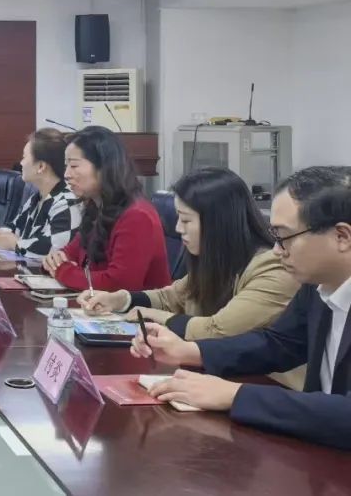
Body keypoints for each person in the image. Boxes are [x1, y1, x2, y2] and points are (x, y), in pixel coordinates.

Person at [134, 166, 351, 450]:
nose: (277, 250)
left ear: (342, 237)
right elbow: (279, 344)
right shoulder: (318, 284)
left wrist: (236, 395)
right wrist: (190, 351)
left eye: (284, 237)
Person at [78, 167, 299, 340]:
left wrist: (159, 317)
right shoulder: (218, 259)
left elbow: (218, 329)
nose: (178, 229)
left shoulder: (272, 268)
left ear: (217, 223)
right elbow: (170, 297)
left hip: (259, 380)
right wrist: (119, 300)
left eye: (185, 220)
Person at [43, 126, 170, 291]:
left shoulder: (137, 216)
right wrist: (54, 260)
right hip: (97, 304)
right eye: (66, 166)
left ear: (104, 167)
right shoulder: (96, 206)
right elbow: (70, 253)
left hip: (134, 307)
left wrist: (62, 271)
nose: (66, 174)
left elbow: (118, 284)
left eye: (74, 166)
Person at [0, 128, 80, 260]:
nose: (21, 163)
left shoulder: (67, 202)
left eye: (24, 157)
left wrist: (15, 244)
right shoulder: (36, 198)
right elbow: (15, 229)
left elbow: (53, 249)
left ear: (41, 167)